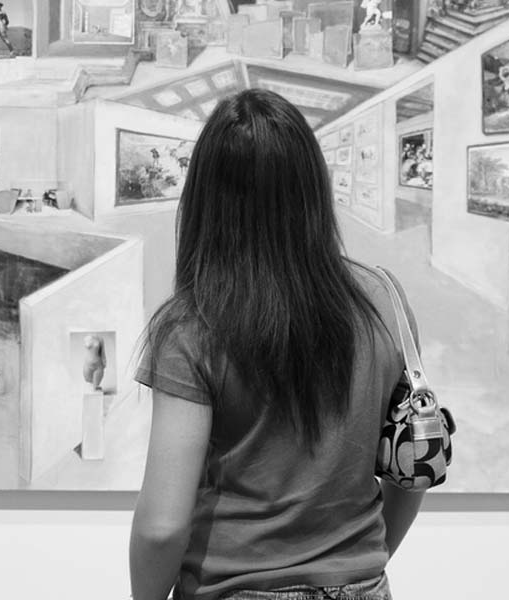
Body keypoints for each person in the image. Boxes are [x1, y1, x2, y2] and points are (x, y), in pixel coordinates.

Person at [130, 89, 426, 600]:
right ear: (313, 185)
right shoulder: (384, 300)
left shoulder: (192, 327)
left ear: (204, 197)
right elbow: (411, 471)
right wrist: (355, 567)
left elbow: (162, 528)